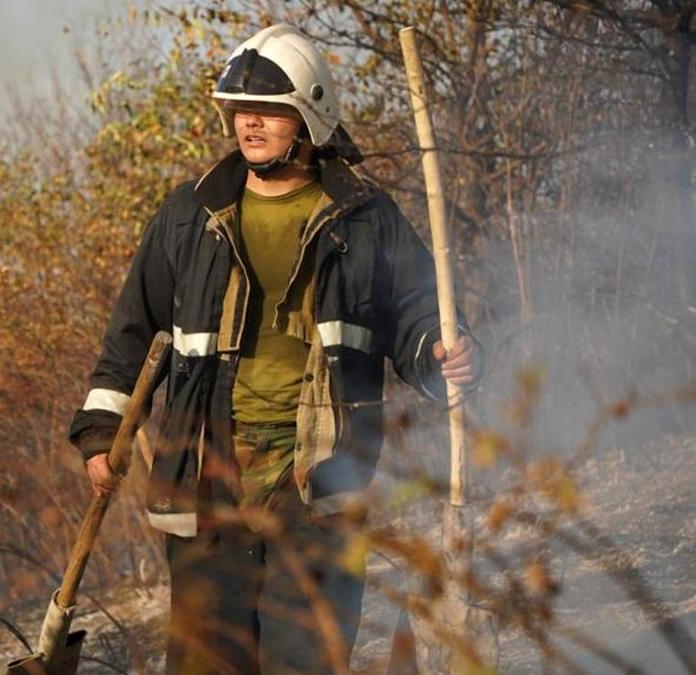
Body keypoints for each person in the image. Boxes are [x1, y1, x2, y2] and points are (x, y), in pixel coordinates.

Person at [68, 24, 479, 674]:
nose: (248, 123)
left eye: (268, 110)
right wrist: (102, 428)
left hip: (319, 476)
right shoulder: (190, 215)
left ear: (310, 115)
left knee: (306, 657)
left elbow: (417, 313)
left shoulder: (365, 218)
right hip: (209, 476)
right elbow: (132, 326)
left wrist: (440, 351)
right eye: (239, 109)